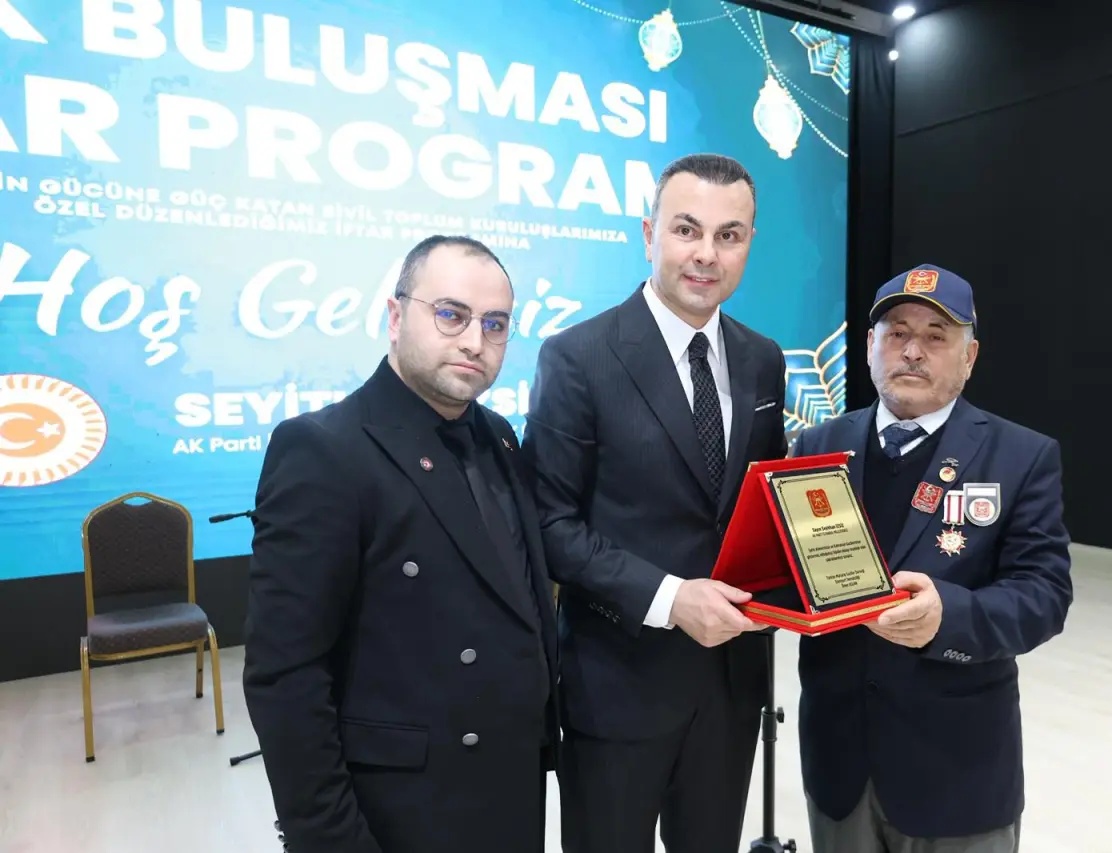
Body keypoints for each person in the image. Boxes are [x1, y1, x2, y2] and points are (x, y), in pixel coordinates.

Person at [241, 235, 559, 853]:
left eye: (495, 324)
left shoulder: (500, 436)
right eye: (451, 314)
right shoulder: (324, 449)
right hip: (402, 809)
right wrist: (331, 838)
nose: (475, 341)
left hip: (512, 788)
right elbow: (286, 674)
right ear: (394, 316)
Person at [523, 153, 789, 853]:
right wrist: (671, 598)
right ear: (649, 234)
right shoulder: (578, 356)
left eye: (729, 235)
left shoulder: (763, 359)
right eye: (686, 229)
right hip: (618, 683)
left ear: (749, 243)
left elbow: (762, 503)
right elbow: (549, 523)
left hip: (732, 685)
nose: (706, 254)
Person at [791, 264, 1073, 853]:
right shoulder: (817, 447)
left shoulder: (1021, 456)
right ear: (870, 347)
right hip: (840, 768)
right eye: (897, 333)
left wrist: (949, 615)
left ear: (970, 357)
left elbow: (1044, 597)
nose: (913, 351)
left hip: (958, 775)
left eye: (935, 336)